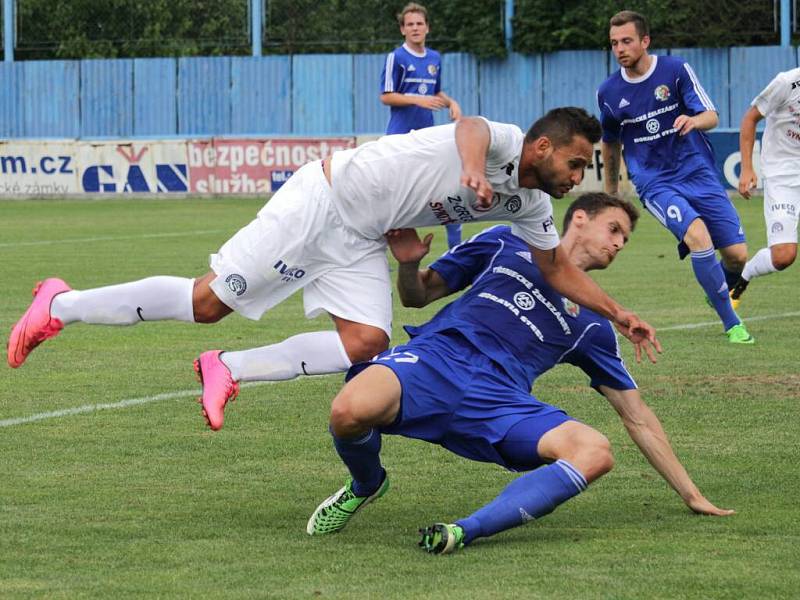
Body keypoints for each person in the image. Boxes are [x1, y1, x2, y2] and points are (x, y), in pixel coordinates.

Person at [8, 108, 659, 433]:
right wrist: (467, 170)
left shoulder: (535, 205)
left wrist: (617, 312)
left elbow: (556, 271)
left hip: (362, 238)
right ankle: (59, 305)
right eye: (576, 165)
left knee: (367, 344)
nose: (579, 180)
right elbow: (471, 127)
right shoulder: (507, 140)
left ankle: (227, 367)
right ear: (544, 148)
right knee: (208, 301)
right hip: (322, 201)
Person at [306, 193, 731, 553]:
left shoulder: (597, 325)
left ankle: (463, 531)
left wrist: (691, 494)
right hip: (436, 360)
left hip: (499, 403)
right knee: (348, 410)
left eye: (625, 238)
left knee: (595, 451)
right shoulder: (506, 241)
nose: (619, 244)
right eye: (614, 229)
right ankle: (366, 484)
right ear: (579, 219)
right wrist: (407, 266)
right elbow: (419, 295)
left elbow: (636, 416)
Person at [597, 10, 753, 344]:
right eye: (613, 43)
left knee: (738, 256)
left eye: (626, 41)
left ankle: (717, 289)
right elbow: (609, 143)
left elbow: (711, 115)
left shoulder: (675, 70)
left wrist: (693, 121)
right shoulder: (609, 92)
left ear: (645, 41)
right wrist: (612, 193)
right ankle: (732, 324)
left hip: (697, 171)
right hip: (654, 182)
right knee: (698, 237)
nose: (619, 48)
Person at [380, 2, 463, 249]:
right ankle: (383, 257)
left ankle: (456, 253)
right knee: (393, 201)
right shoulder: (396, 57)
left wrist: (451, 102)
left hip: (428, 137)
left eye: (419, 23)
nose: (415, 28)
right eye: (410, 24)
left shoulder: (434, 58)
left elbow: (436, 91)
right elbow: (386, 96)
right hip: (400, 138)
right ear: (402, 30)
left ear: (427, 28)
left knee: (448, 192)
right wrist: (418, 99)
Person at [731, 66, 800, 301]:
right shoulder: (787, 82)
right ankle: (746, 273)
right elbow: (750, 119)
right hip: (783, 175)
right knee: (783, 256)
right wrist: (747, 168)